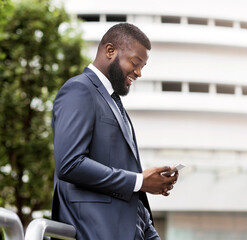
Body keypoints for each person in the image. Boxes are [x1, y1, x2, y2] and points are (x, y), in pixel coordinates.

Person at [52, 23, 177, 240]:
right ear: (110, 51)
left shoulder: (114, 103)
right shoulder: (79, 89)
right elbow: (70, 164)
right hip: (97, 231)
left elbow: (118, 171)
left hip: (136, 228)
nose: (138, 73)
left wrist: (146, 222)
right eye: (135, 63)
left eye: (142, 67)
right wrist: (139, 181)